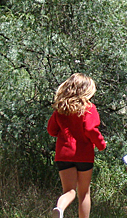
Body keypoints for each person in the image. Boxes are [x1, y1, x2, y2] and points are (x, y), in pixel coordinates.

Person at [47, 73, 108, 218]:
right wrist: (101, 144)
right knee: (84, 193)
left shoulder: (61, 109)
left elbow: (51, 130)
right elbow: (90, 129)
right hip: (84, 155)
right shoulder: (88, 108)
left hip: (64, 154)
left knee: (69, 191)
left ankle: (60, 208)